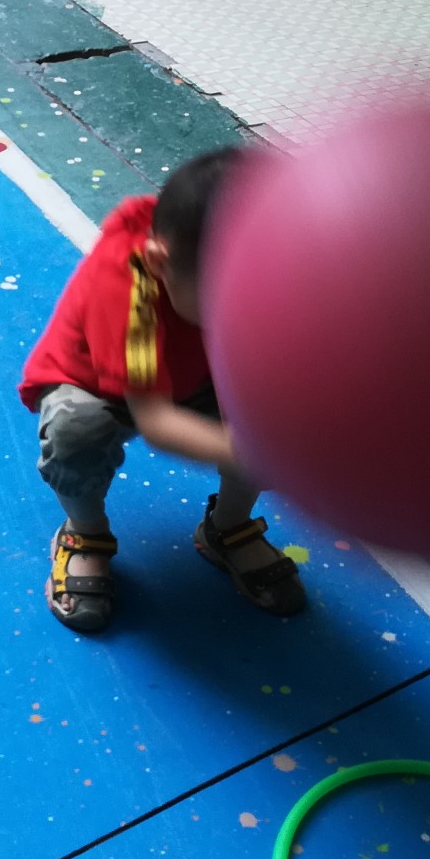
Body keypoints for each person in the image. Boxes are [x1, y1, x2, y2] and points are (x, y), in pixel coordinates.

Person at [19, 147, 305, 633]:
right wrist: (257, 451)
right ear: (159, 263)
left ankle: (227, 528)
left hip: (200, 372)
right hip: (103, 389)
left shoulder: (262, 269)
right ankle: (84, 534)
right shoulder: (130, 287)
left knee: (275, 416)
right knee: (75, 431)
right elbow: (154, 419)